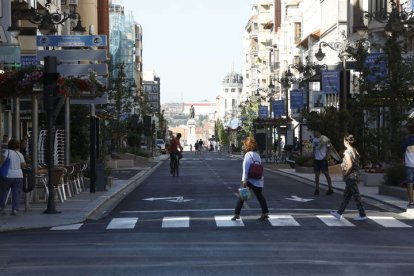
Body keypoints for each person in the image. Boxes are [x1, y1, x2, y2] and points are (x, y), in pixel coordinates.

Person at [231, 137, 269, 221]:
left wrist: (244, 180)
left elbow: (246, 168)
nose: (244, 146)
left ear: (248, 146)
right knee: (260, 196)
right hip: (258, 178)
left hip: (250, 179)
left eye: (245, 145)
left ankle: (236, 214)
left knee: (242, 196)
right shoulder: (257, 155)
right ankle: (265, 212)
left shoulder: (248, 155)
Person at [330, 134, 367, 221]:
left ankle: (362, 214)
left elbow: (350, 165)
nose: (343, 142)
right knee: (347, 195)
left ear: (346, 142)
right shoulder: (355, 150)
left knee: (356, 196)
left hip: (351, 176)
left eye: (344, 141)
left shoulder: (347, 152)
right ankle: (339, 213)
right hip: (356, 175)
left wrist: (346, 174)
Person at [0, 139, 27, 215]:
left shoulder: (7, 152)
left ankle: (2, 207)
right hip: (18, 176)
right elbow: (24, 165)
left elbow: (1, 163)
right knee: (16, 193)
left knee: (3, 192)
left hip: (7, 175)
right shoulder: (19, 154)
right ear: (18, 146)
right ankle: (14, 209)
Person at [312, 130, 333, 195]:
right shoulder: (314, 140)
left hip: (323, 159)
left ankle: (330, 188)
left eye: (315, 131)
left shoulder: (325, 139)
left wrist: (327, 156)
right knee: (317, 175)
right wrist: (313, 156)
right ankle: (317, 189)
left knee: (326, 174)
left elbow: (330, 147)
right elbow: (314, 148)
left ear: (319, 132)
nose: (314, 132)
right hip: (316, 159)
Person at [401, 121, 414, 208]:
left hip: (409, 164)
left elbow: (401, 149)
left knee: (410, 183)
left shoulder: (407, 140)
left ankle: (411, 202)